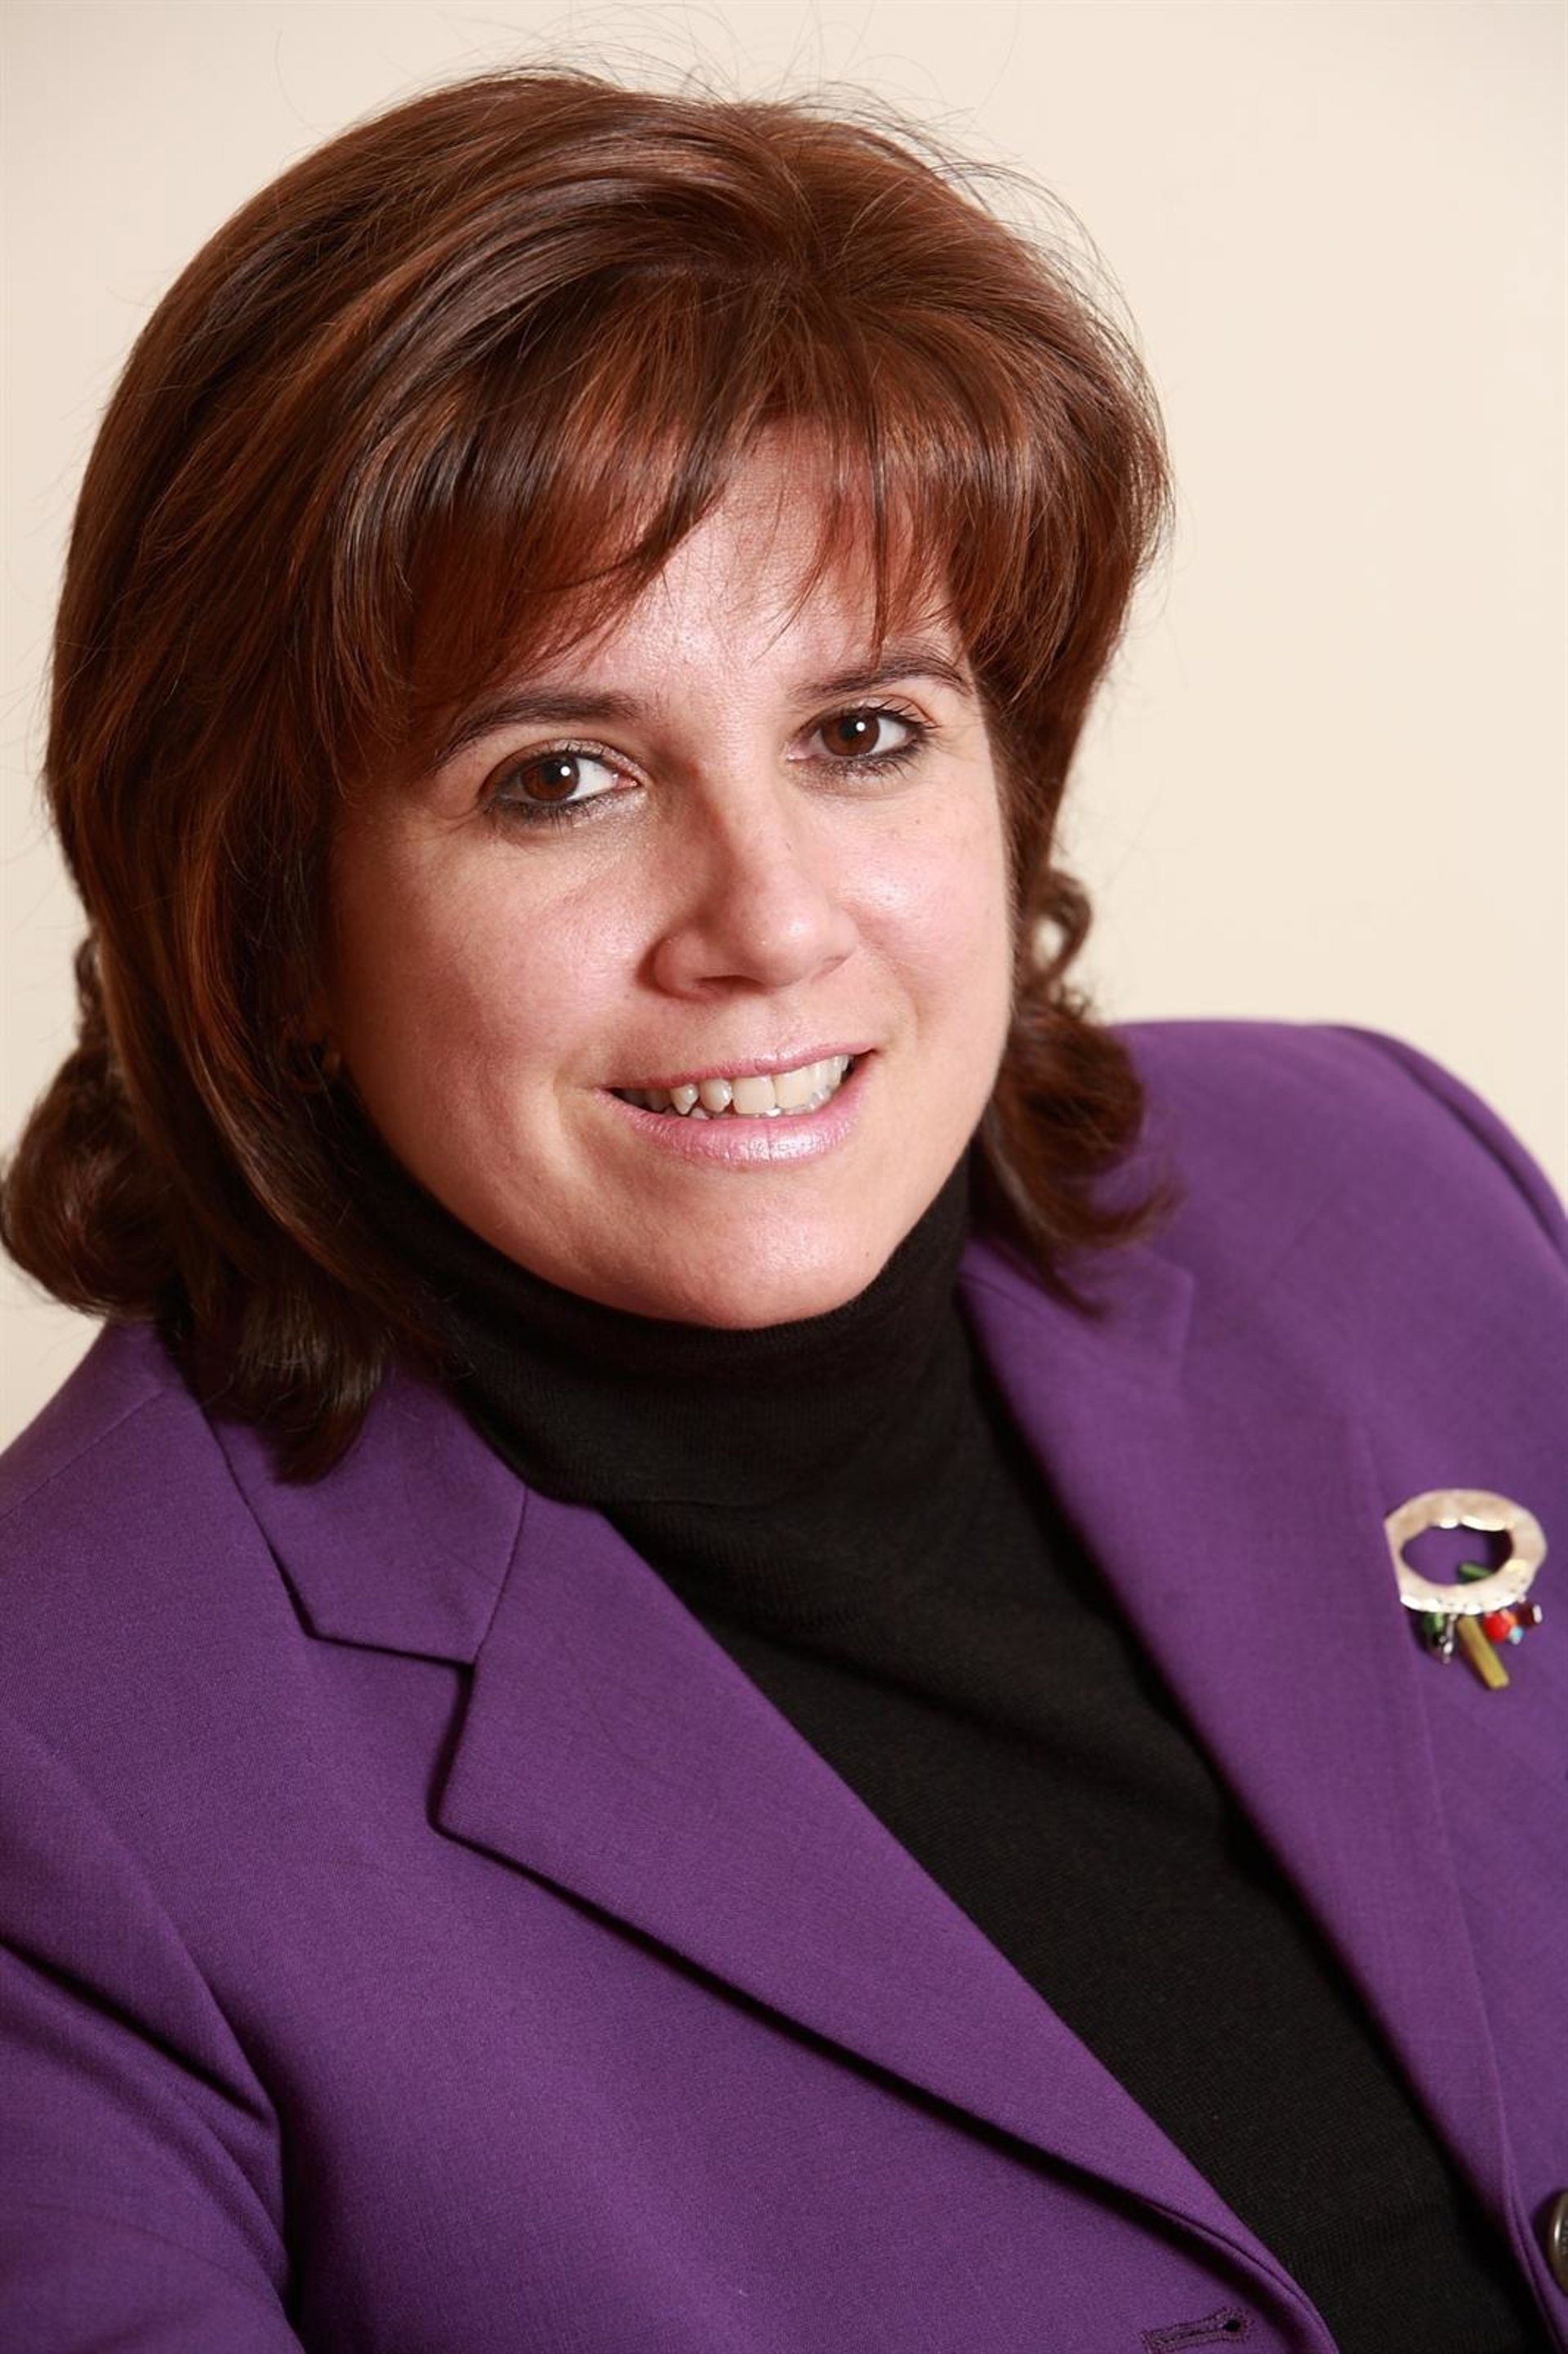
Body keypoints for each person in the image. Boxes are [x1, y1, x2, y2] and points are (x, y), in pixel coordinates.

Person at [0, 65, 1563, 2354]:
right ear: (272, 915)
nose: (770, 921)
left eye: (864, 732)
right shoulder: (60, 1765)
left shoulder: (1379, 1181)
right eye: (560, 775)